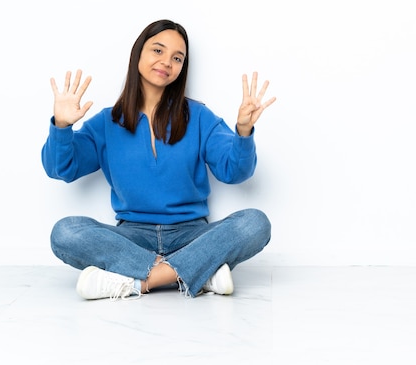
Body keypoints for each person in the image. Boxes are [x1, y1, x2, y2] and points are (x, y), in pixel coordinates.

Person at [41, 19, 276, 301]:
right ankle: (198, 273)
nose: (167, 62)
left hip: (192, 236)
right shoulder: (106, 122)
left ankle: (136, 282)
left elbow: (234, 171)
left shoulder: (199, 117)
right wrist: (62, 127)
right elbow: (60, 168)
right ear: (138, 53)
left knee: (255, 223)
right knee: (66, 232)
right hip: (131, 238)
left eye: (177, 58)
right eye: (158, 51)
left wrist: (243, 132)